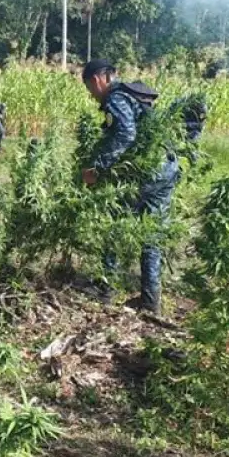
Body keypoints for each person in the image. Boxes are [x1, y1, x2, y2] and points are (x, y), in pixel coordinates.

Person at [80, 59, 180, 315]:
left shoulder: (116, 98)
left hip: (147, 173)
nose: (93, 96)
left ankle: (105, 288)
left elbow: (126, 134)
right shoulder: (135, 95)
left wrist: (98, 169)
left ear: (97, 80)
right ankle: (150, 301)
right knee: (152, 232)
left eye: (90, 90)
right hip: (167, 168)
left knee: (114, 220)